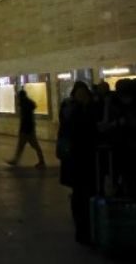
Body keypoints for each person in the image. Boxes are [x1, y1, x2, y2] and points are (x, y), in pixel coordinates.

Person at [57, 81, 97, 245]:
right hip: (76, 158)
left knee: (84, 192)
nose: (82, 97)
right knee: (80, 193)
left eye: (84, 94)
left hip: (85, 158)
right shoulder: (72, 110)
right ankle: (82, 229)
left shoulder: (84, 109)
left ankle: (86, 227)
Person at [6, 90, 46, 169]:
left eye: (18, 97)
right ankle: (41, 161)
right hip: (29, 129)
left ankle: (41, 162)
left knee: (25, 146)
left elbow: (24, 119)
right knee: (32, 146)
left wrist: (22, 130)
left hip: (26, 130)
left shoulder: (24, 105)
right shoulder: (28, 104)